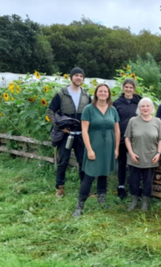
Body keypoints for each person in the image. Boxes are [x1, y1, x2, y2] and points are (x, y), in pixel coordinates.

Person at [73, 84, 120, 218]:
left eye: (106, 91)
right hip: (94, 146)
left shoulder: (113, 110)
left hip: (108, 147)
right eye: (101, 91)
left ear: (109, 94)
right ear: (96, 93)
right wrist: (89, 149)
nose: (103, 93)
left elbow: (116, 130)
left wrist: (116, 148)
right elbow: (84, 131)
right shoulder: (89, 109)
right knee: (89, 175)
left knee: (103, 173)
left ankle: (102, 201)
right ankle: (79, 206)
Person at [47, 67, 91, 197]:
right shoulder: (62, 94)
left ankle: (85, 189)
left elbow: (90, 113)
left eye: (81, 76)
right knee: (63, 161)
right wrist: (59, 126)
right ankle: (59, 188)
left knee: (83, 162)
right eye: (76, 75)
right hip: (66, 134)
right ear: (71, 77)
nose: (79, 78)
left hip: (81, 135)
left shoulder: (86, 95)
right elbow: (50, 111)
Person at [124, 97, 161, 211]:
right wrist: (131, 153)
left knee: (148, 182)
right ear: (139, 108)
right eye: (143, 106)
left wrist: (158, 153)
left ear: (152, 108)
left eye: (148, 106)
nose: (145, 108)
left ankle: (145, 203)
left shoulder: (157, 121)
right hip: (135, 157)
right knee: (133, 181)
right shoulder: (133, 121)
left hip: (151, 157)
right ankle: (133, 201)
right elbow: (127, 138)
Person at [113, 78, 141, 200]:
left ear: (134, 89)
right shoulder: (117, 102)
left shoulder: (139, 101)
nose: (128, 89)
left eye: (131, 87)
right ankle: (121, 187)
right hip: (121, 137)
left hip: (136, 138)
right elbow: (114, 120)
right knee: (122, 163)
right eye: (126, 87)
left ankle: (135, 187)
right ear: (123, 88)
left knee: (135, 163)